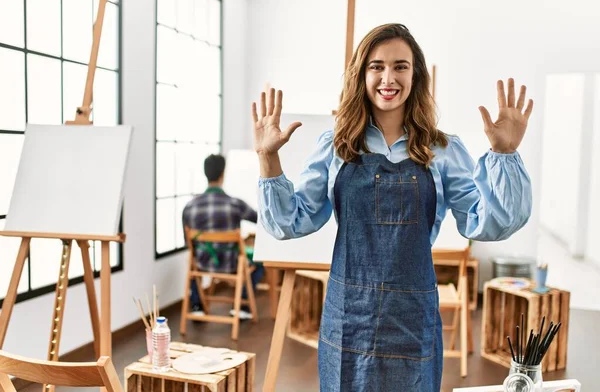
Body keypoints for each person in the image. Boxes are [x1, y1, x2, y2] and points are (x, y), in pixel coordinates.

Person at [253, 23, 533, 391]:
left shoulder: (443, 150)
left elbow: (488, 223)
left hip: (412, 321)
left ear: (415, 75)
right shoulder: (335, 145)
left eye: (400, 66)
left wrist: (505, 154)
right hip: (348, 317)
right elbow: (292, 220)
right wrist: (267, 158)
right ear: (361, 75)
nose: (389, 77)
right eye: (376, 66)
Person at [182, 154, 264, 320]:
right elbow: (260, 220)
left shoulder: (189, 207)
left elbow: (187, 243)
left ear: (206, 174)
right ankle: (241, 305)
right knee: (260, 262)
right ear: (222, 175)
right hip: (230, 263)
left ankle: (197, 305)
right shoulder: (235, 204)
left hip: (202, 264)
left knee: (193, 260)